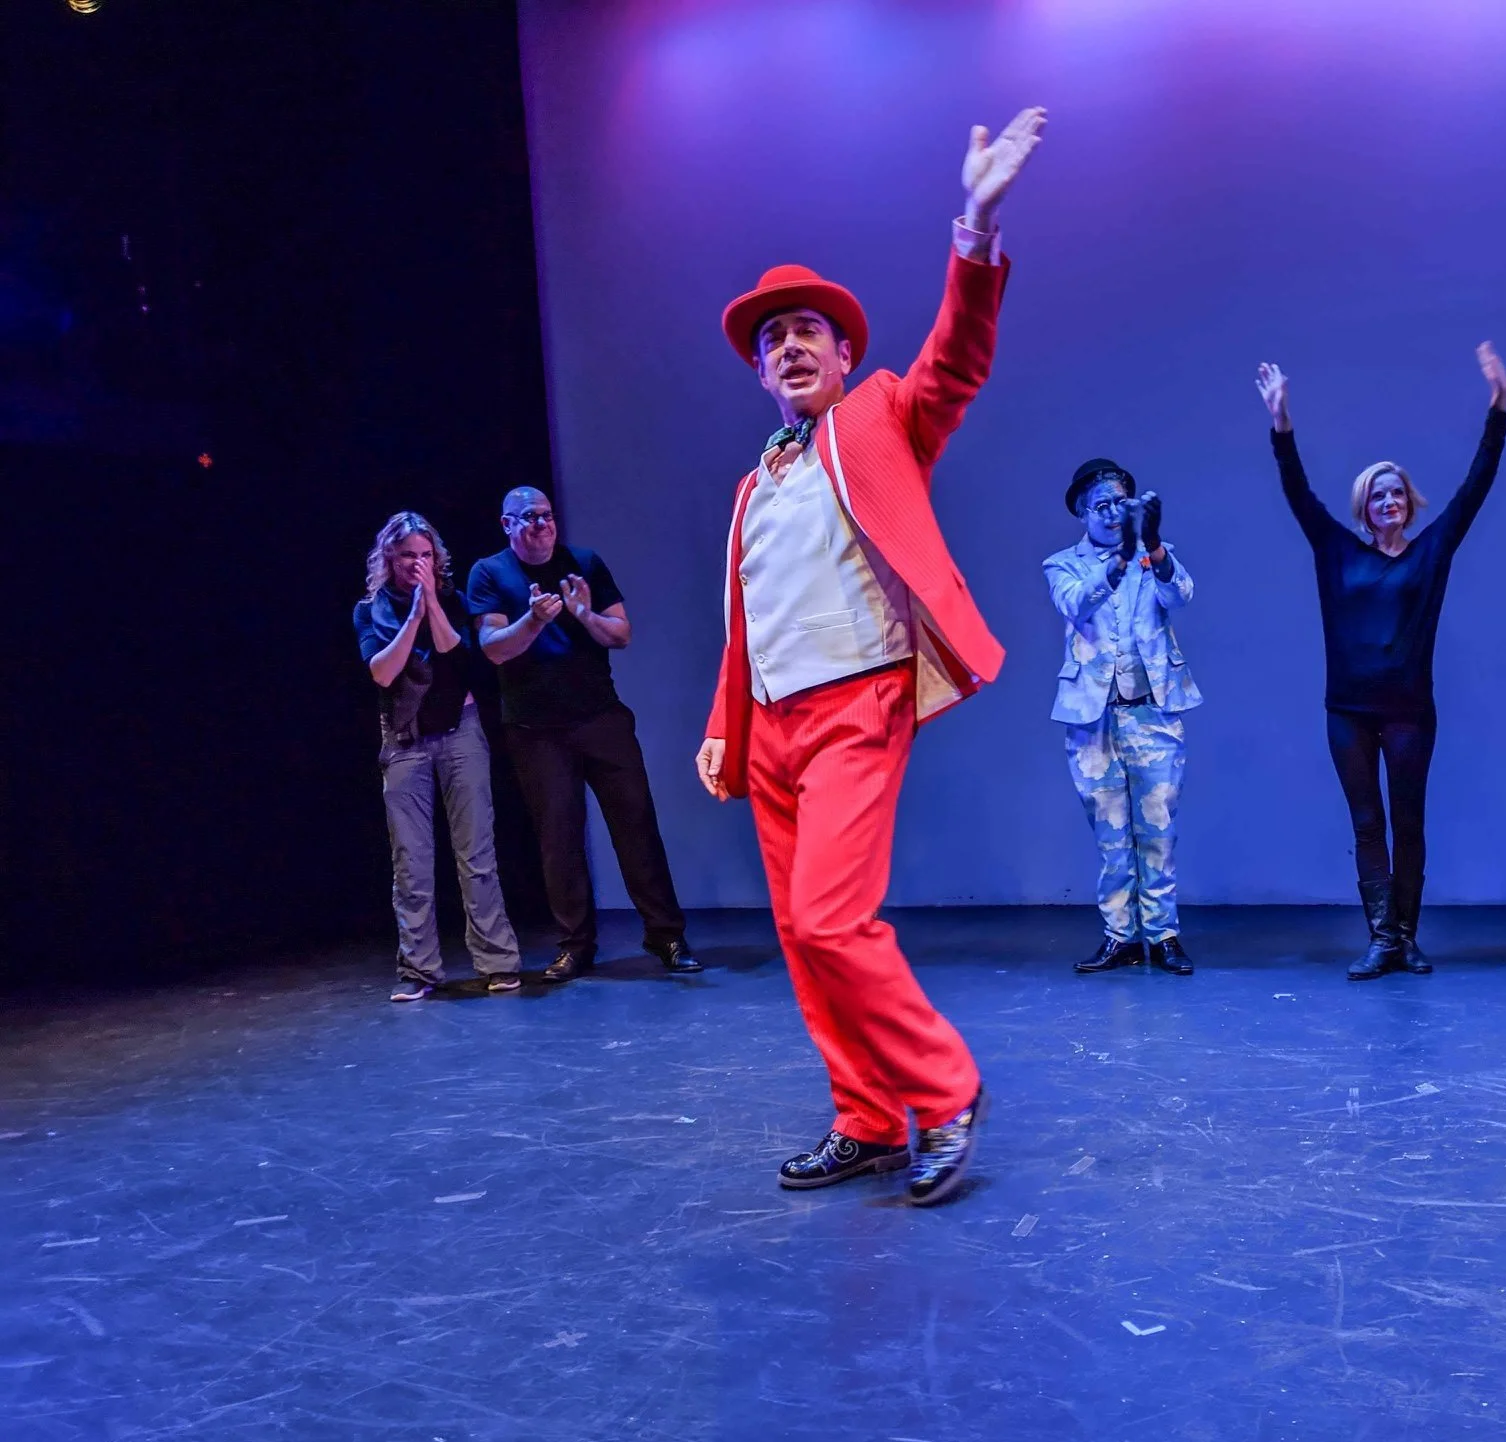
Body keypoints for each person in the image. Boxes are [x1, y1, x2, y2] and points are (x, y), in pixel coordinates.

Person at [695, 107, 1046, 1206]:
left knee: (837, 917)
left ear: (845, 355)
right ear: (760, 374)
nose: (789, 348)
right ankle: (864, 1116)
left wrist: (976, 225)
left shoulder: (882, 416)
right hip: (772, 727)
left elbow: (957, 360)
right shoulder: (756, 485)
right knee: (802, 936)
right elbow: (746, 620)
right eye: (771, 341)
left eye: (807, 332)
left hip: (856, 703)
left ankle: (943, 1092)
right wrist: (723, 725)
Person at [1256, 344, 1506, 977]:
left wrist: (1499, 408)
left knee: (1409, 824)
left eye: (1397, 493)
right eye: (1378, 495)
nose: (1389, 502)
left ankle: (1406, 936)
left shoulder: (1432, 551)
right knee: (1367, 825)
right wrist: (1281, 420)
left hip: (1408, 713)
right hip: (1346, 710)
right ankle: (1382, 938)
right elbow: (1297, 491)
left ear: (1409, 502)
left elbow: (1476, 487)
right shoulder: (1335, 550)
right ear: (1364, 508)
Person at [466, 486, 701, 983]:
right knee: (559, 839)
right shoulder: (489, 573)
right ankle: (576, 946)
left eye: (547, 516)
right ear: (507, 525)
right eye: (528, 518)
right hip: (535, 730)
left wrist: (583, 614)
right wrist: (533, 619)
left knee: (637, 827)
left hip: (600, 719)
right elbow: (493, 649)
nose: (541, 525)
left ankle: (666, 935)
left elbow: (622, 634)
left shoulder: (584, 562)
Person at [353, 512, 521, 1001]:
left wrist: (430, 603)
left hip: (460, 733)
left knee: (477, 855)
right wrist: (411, 619)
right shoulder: (370, 611)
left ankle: (497, 962)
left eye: (426, 556)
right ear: (390, 558)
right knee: (412, 861)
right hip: (404, 742)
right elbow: (383, 674)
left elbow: (455, 655)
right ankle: (419, 971)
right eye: (408, 555)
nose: (418, 564)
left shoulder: (452, 599)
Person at [1045, 465, 1201, 975]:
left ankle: (1164, 934)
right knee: (1111, 835)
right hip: (1092, 719)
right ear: (1083, 513)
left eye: (1122, 503)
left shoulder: (1155, 556)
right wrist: (1115, 565)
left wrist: (1151, 547)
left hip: (1152, 712)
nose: (1114, 514)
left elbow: (1181, 595)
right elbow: (1075, 603)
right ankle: (1121, 936)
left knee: (1157, 829)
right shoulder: (1063, 565)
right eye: (1102, 505)